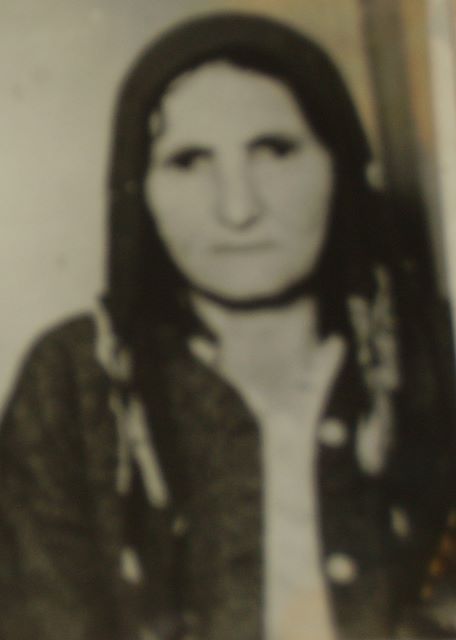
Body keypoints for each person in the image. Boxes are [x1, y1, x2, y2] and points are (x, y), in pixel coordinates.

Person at [0, 12, 454, 640]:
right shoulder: (76, 383)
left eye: (275, 151)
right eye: (188, 161)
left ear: (340, 165)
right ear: (137, 190)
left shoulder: (433, 355)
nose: (237, 208)